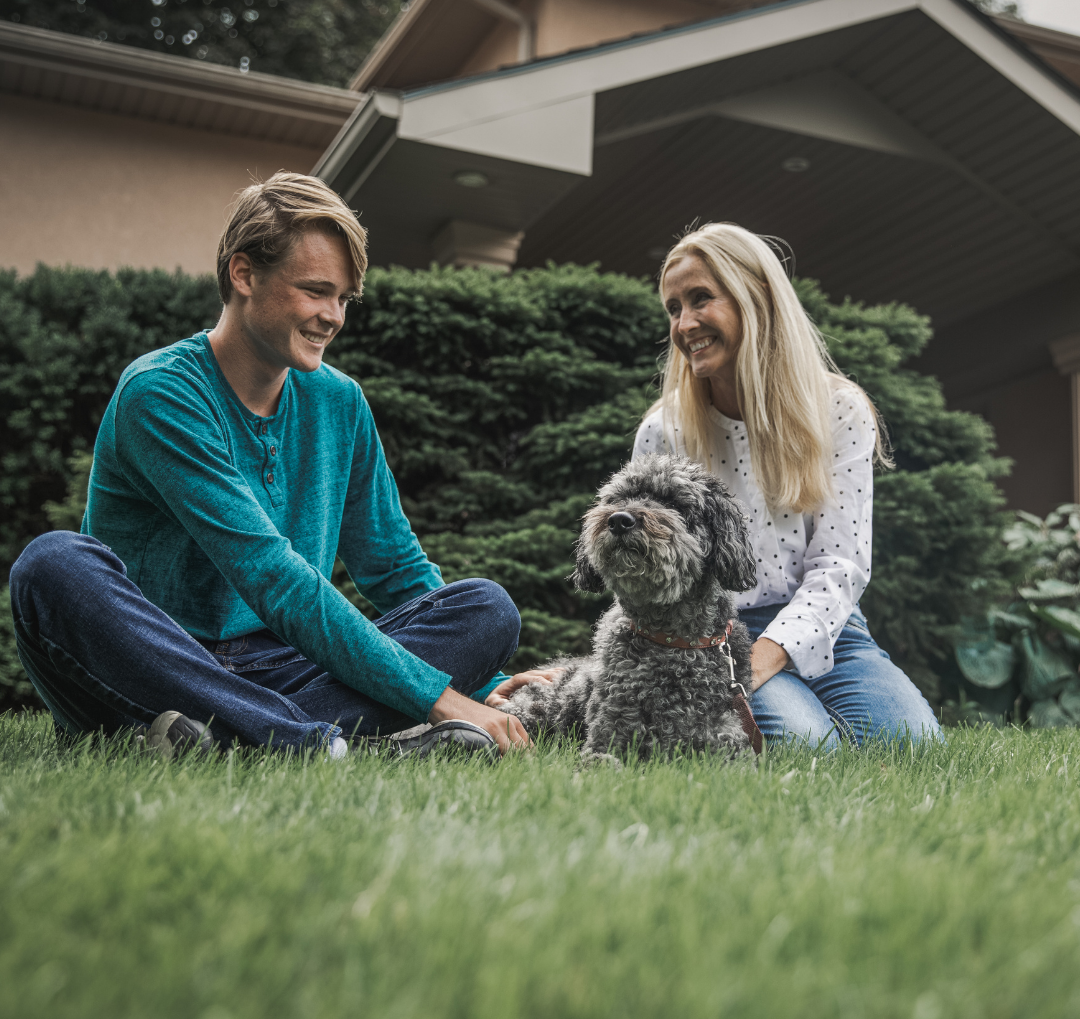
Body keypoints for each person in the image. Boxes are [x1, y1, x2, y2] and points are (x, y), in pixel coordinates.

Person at [9, 172, 544, 758]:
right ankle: (321, 744)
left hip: (282, 670)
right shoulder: (162, 394)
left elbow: (394, 568)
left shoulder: (340, 403)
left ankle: (221, 742)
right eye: (315, 291)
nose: (333, 316)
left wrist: (486, 685)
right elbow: (269, 574)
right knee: (51, 564)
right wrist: (438, 700)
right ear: (244, 274)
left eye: (343, 298)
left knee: (486, 609)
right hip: (154, 666)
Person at [632, 223, 942, 749]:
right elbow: (641, 576)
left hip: (833, 628)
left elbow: (840, 567)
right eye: (673, 308)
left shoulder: (839, 409)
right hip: (716, 635)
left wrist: (772, 654)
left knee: (914, 745)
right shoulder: (664, 432)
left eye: (700, 299)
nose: (685, 323)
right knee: (806, 746)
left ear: (755, 297)